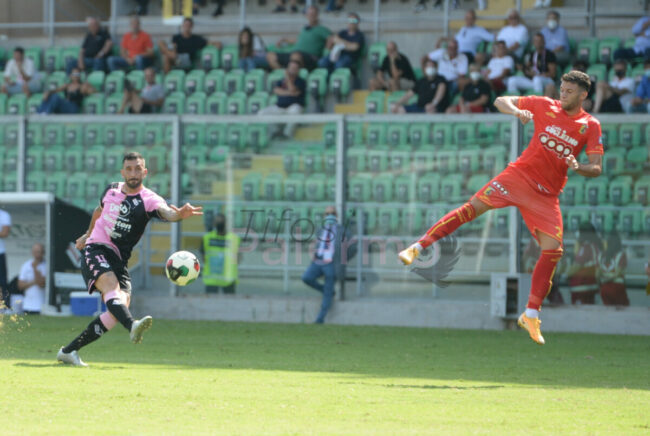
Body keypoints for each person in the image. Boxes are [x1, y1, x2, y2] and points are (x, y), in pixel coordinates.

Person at [399, 70, 603, 345]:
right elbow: (500, 100)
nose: (562, 94)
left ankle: (530, 314)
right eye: (562, 89)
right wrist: (515, 112)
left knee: (553, 250)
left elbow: (597, 168)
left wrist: (579, 167)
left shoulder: (590, 125)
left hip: (546, 195)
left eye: (568, 91)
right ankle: (418, 246)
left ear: (583, 95)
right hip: (518, 177)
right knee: (470, 209)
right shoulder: (544, 104)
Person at [57, 152, 203, 366]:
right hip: (96, 248)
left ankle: (68, 351)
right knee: (111, 289)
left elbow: (166, 213)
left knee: (116, 310)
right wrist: (88, 235)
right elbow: (99, 211)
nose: (133, 173)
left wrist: (179, 214)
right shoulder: (111, 189)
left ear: (145, 172)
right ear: (122, 172)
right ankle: (132, 325)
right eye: (129, 169)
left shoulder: (150, 200)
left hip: (119, 260)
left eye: (138, 169)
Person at [302, 206, 347, 324]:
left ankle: (320, 318)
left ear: (336, 216)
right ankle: (328, 291)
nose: (329, 215)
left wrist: (342, 258)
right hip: (318, 260)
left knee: (329, 284)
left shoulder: (342, 230)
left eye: (332, 213)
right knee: (307, 277)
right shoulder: (320, 229)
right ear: (324, 216)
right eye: (327, 214)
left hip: (332, 262)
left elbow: (352, 247)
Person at [267, 6, 331, 72]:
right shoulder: (304, 29)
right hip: (295, 54)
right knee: (270, 55)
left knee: (296, 55)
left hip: (310, 57)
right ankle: (284, 75)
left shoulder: (322, 29)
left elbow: (331, 38)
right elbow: (298, 40)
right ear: (306, 15)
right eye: (309, 14)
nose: (311, 16)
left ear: (317, 15)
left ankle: (292, 76)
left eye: (313, 14)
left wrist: (327, 50)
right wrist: (285, 40)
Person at [258, 60, 306, 138]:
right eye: (291, 68)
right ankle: (275, 131)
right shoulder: (281, 81)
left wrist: (288, 78)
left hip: (292, 108)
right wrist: (290, 93)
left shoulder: (301, 81)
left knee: (296, 110)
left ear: (298, 70)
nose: (292, 70)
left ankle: (287, 134)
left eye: (295, 68)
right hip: (280, 107)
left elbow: (292, 89)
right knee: (262, 113)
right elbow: (276, 90)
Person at [201, 213, 240, 294]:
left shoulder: (207, 238)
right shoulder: (234, 238)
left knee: (210, 303)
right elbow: (238, 258)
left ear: (214, 224)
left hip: (212, 277)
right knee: (229, 304)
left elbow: (203, 257)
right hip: (227, 277)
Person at [567, 222, 601, 305]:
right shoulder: (596, 246)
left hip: (582, 285)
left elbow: (577, 266)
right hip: (591, 284)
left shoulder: (586, 247)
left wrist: (567, 274)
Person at [598, 231, 629, 306]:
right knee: (623, 311)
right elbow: (618, 273)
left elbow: (597, 274)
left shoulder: (601, 255)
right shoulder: (621, 255)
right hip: (617, 287)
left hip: (604, 288)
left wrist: (603, 282)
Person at [17, 243, 47, 314]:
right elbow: (20, 286)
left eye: (39, 252)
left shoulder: (47, 265)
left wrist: (35, 269)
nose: (37, 254)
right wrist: (34, 281)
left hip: (41, 305)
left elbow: (41, 284)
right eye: (35, 252)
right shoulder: (26, 265)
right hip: (27, 305)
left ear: (43, 253)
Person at [0, 208, 10, 311]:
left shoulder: (4, 215)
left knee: (2, 281)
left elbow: (5, 232)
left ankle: (4, 306)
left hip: (0, 253)